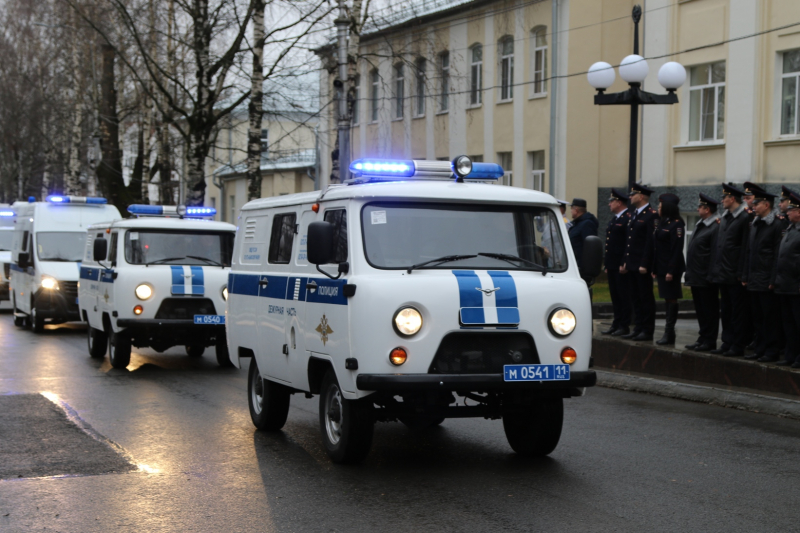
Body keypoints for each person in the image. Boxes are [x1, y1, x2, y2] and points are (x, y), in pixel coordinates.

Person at [741, 189, 785, 363]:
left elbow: (777, 255)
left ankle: (772, 350)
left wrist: (773, 279)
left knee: (770, 318)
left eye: (757, 203)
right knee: (757, 318)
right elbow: (748, 252)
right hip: (754, 278)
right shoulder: (755, 223)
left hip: (766, 279)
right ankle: (760, 349)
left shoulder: (776, 224)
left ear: (767, 205)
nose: (753, 206)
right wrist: (745, 274)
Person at [708, 183, 751, 357]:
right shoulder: (726, 217)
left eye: (724, 198)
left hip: (735, 273)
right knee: (726, 310)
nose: (722, 201)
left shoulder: (744, 218)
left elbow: (744, 248)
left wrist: (741, 273)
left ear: (732, 199)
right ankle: (727, 341)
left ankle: (737, 344)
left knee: (737, 312)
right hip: (723, 273)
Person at [621, 183, 658, 341]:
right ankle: (638, 327)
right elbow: (629, 241)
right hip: (632, 263)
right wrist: (625, 261)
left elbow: (650, 242)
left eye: (633, 194)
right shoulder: (634, 214)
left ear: (641, 196)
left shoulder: (651, 215)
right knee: (635, 297)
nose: (630, 197)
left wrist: (645, 263)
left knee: (645, 298)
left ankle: (647, 329)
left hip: (642, 265)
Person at [684, 194, 721, 352]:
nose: (697, 209)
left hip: (706, 276)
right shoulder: (701, 224)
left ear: (707, 209)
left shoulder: (715, 226)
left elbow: (714, 253)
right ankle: (703, 337)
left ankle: (709, 340)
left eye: (700, 207)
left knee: (709, 310)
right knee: (700, 310)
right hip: (696, 275)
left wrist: (711, 275)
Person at [649, 193, 685, 345]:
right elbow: (658, 248)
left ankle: (669, 332)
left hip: (671, 269)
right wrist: (655, 267)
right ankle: (669, 333)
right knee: (666, 298)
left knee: (671, 299)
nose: (658, 208)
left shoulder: (677, 224)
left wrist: (671, 270)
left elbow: (676, 249)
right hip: (662, 267)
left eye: (660, 206)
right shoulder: (662, 223)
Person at [601, 189, 632, 336]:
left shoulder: (628, 218)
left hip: (621, 265)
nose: (609, 204)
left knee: (623, 295)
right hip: (613, 264)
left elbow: (627, 243)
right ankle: (616, 323)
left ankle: (624, 325)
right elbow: (610, 244)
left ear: (619, 202)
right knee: (615, 295)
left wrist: (624, 262)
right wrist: (607, 264)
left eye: (611, 201)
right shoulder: (615, 219)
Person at [774, 191, 800, 368]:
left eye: (791, 210)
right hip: (784, 284)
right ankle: (791, 355)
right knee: (788, 324)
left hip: (796, 285)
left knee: (798, 323)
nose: (787, 213)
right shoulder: (790, 229)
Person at [567, 198, 598, 273]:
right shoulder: (577, 223)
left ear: (576, 210)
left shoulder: (587, 224)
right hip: (574, 264)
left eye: (571, 209)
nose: (571, 211)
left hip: (581, 267)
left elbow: (589, 248)